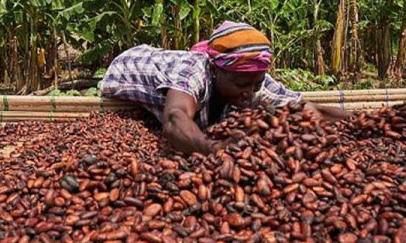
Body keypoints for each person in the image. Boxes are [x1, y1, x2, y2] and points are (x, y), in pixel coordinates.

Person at [100, 21, 349, 155]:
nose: (249, 93)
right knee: (188, 114)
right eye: (242, 85)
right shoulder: (193, 72)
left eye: (256, 84)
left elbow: (305, 109)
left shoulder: (251, 78)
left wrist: (366, 120)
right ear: (216, 70)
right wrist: (215, 150)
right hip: (128, 66)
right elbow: (175, 121)